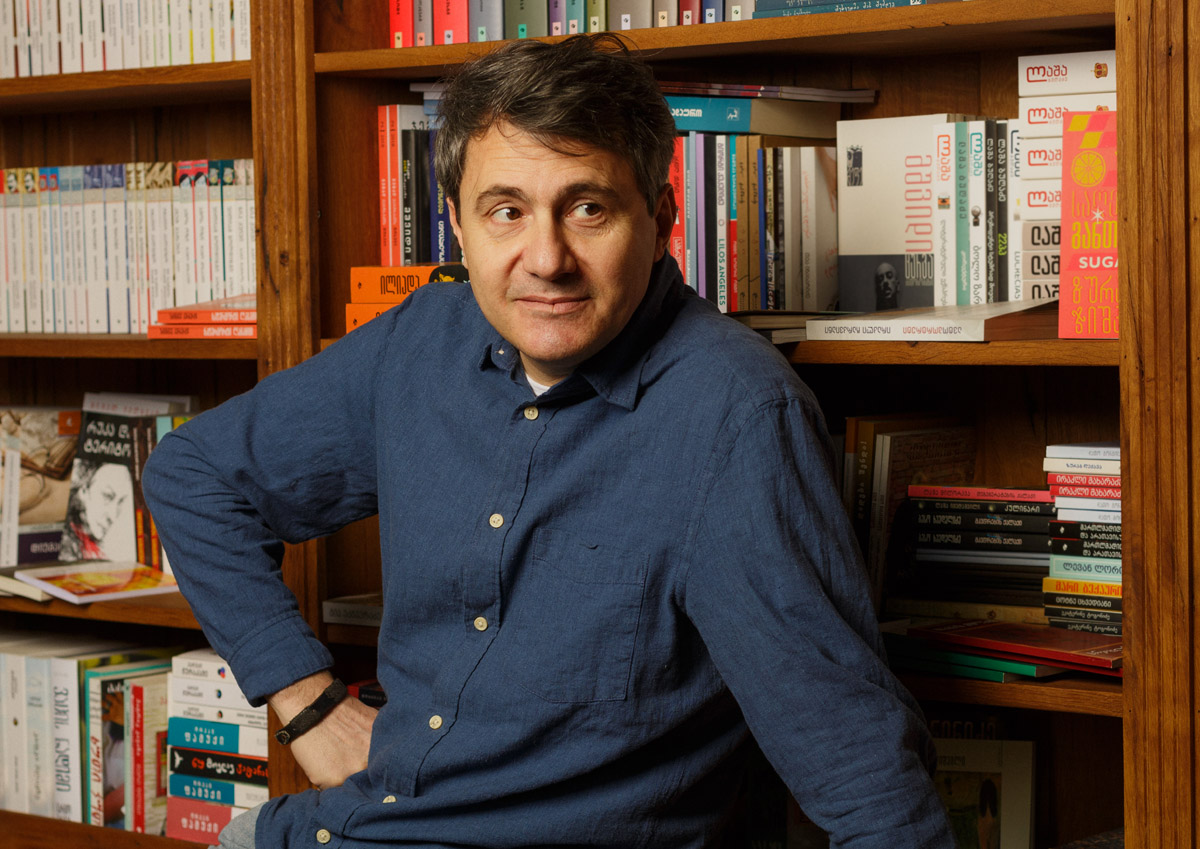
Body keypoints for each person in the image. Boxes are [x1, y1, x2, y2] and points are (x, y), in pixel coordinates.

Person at [142, 33, 955, 849]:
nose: (547, 259)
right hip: (333, 828)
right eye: (507, 211)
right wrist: (307, 701)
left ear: (660, 220)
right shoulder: (421, 340)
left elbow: (863, 776)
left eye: (587, 208)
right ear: (457, 225)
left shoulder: (735, 417)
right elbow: (194, 475)